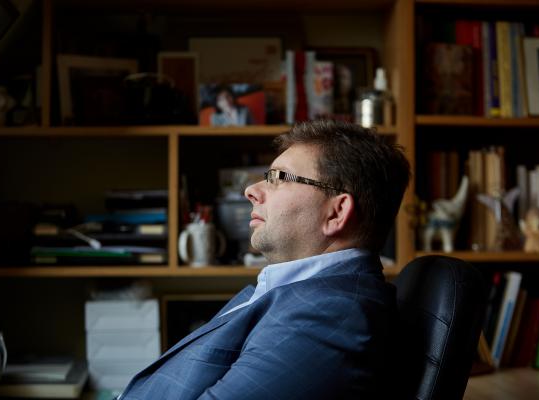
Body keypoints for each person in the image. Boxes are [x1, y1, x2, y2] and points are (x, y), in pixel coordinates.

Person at [118, 120, 411, 400]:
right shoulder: (302, 295)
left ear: (336, 213)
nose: (250, 191)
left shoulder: (331, 316)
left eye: (278, 178)